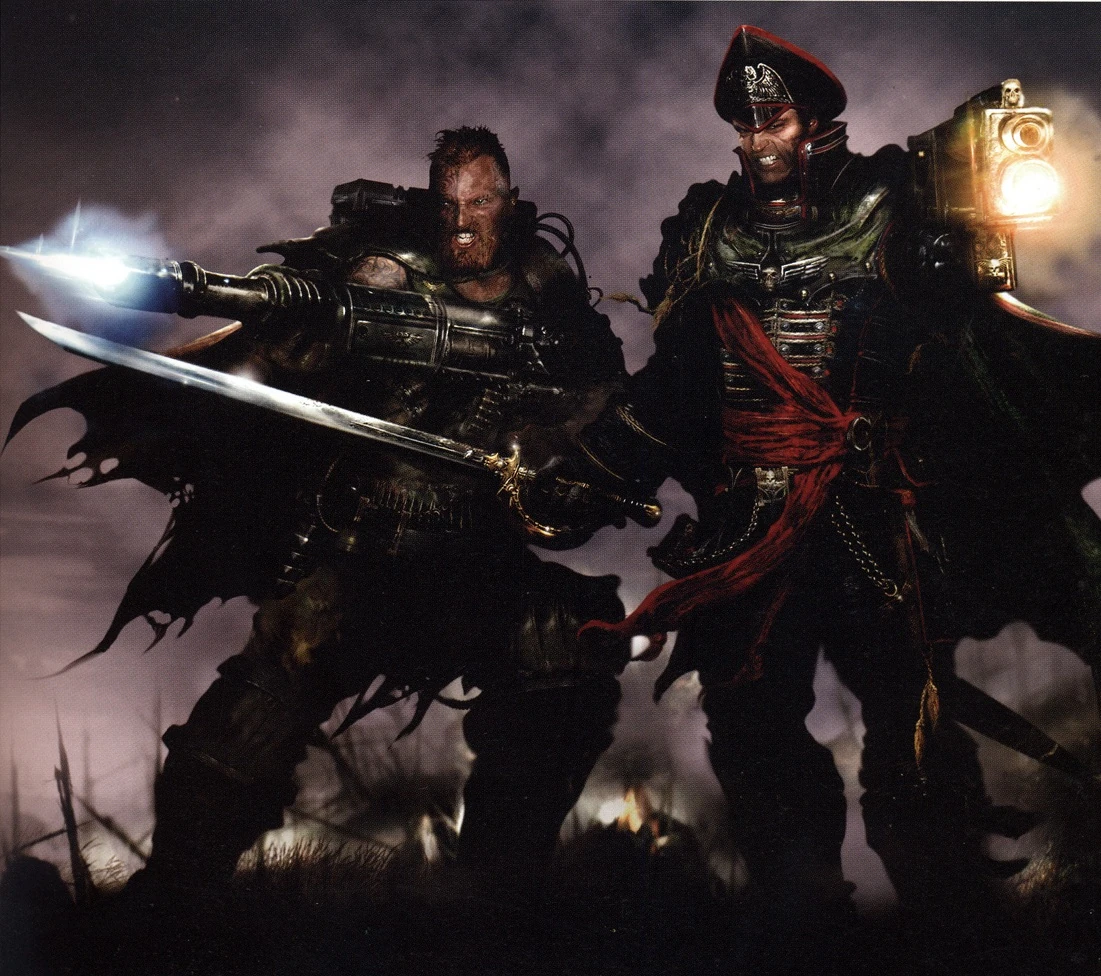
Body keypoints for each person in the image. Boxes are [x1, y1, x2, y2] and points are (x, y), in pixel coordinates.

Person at [10, 126, 632, 928]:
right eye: (448, 205)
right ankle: (169, 906)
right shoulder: (380, 273)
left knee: (560, 643)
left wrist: (560, 459)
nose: (461, 223)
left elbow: (605, 412)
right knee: (249, 719)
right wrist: (286, 341)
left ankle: (492, 899)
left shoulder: (549, 297)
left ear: (507, 204)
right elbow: (285, 348)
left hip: (474, 562)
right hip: (356, 558)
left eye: (479, 203)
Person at [571, 24, 1101, 965]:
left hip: (872, 521)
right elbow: (677, 381)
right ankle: (805, 924)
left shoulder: (892, 206)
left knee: (913, 724)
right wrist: (601, 467)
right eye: (744, 124)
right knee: (753, 730)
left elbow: (956, 332)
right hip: (747, 529)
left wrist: (946, 259)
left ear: (814, 121)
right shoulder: (705, 228)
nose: (755, 140)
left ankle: (951, 925)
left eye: (771, 119)